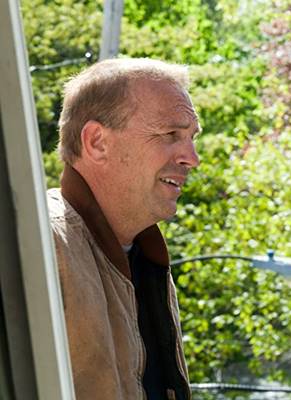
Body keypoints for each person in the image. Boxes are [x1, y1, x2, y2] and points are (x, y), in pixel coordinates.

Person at [47, 58, 199, 399]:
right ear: (97, 142)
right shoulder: (42, 243)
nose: (192, 158)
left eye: (192, 138)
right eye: (170, 134)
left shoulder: (144, 252)